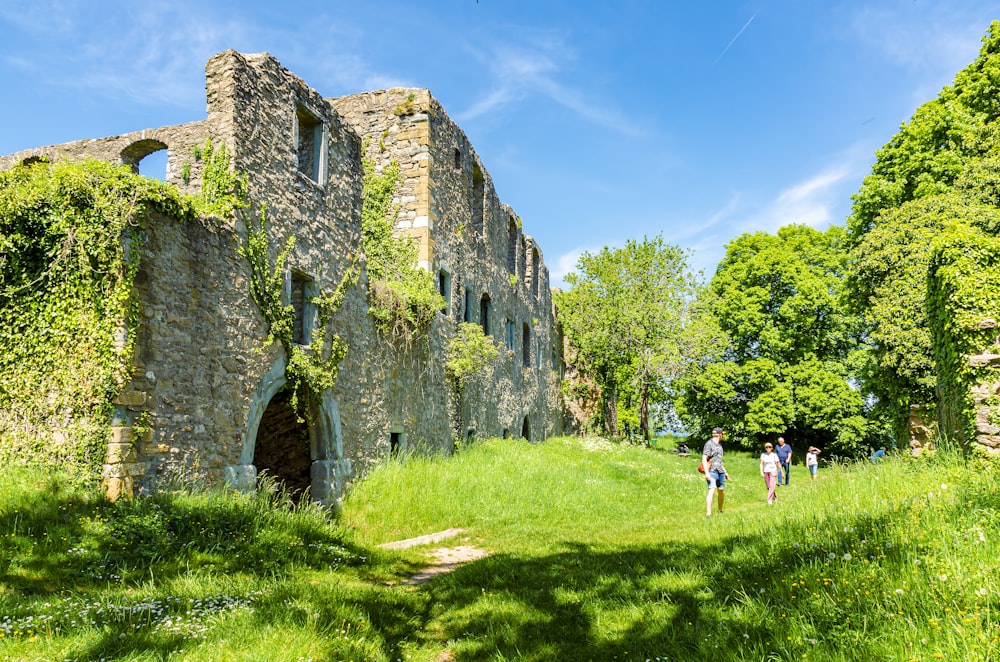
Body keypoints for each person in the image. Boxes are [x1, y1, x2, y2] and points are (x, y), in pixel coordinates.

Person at [702, 427, 730, 517]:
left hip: (720, 471)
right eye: (722, 434)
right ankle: (708, 513)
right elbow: (704, 459)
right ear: (720, 435)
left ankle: (720, 510)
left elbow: (719, 461)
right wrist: (707, 473)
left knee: (721, 491)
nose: (723, 436)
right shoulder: (709, 444)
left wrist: (725, 472)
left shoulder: (720, 446)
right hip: (712, 471)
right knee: (712, 490)